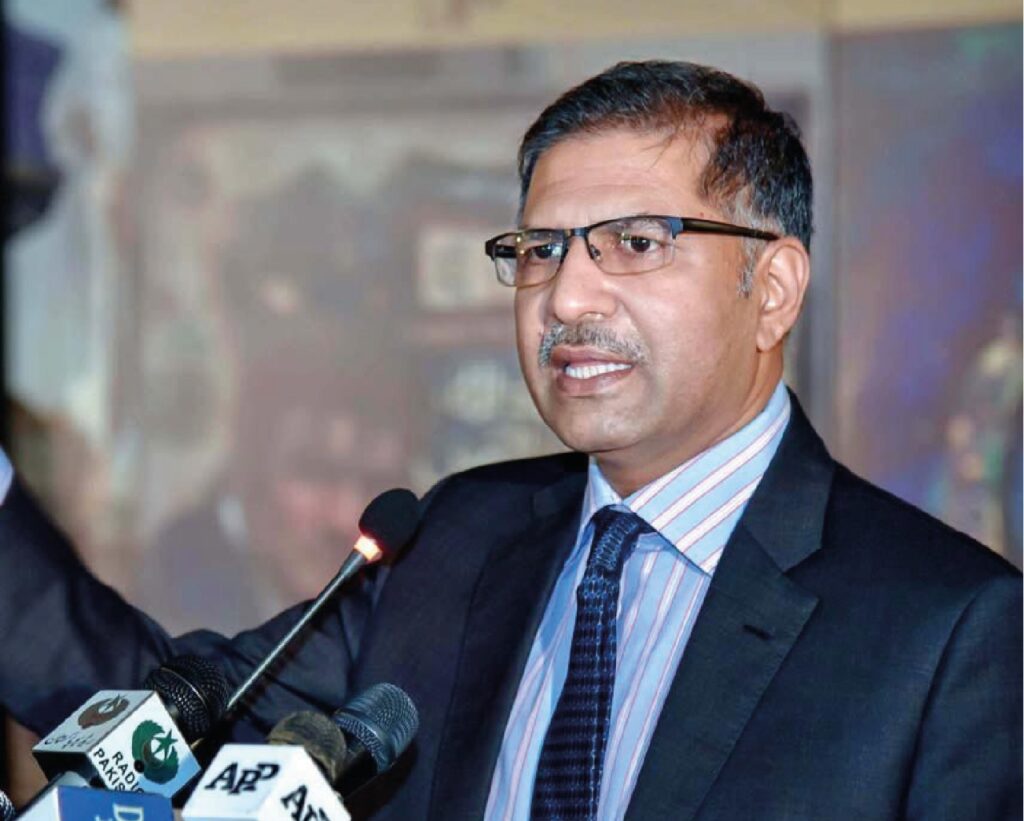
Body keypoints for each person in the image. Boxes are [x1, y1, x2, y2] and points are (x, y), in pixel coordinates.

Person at [0, 60, 1020, 821]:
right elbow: (173, 722)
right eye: (538, 250)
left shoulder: (951, 632)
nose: (566, 297)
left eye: (634, 244)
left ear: (775, 288)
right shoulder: (455, 539)